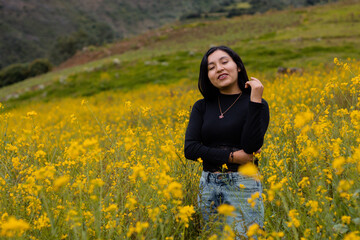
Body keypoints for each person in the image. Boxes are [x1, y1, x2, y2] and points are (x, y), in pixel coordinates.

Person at [184, 46, 270, 239]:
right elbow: (190, 149)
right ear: (207, 76)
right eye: (211, 67)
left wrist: (255, 99)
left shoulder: (258, 105)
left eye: (224, 62)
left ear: (238, 66)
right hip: (208, 185)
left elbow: (249, 148)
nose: (219, 69)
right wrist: (232, 156)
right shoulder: (202, 106)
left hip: (243, 185)